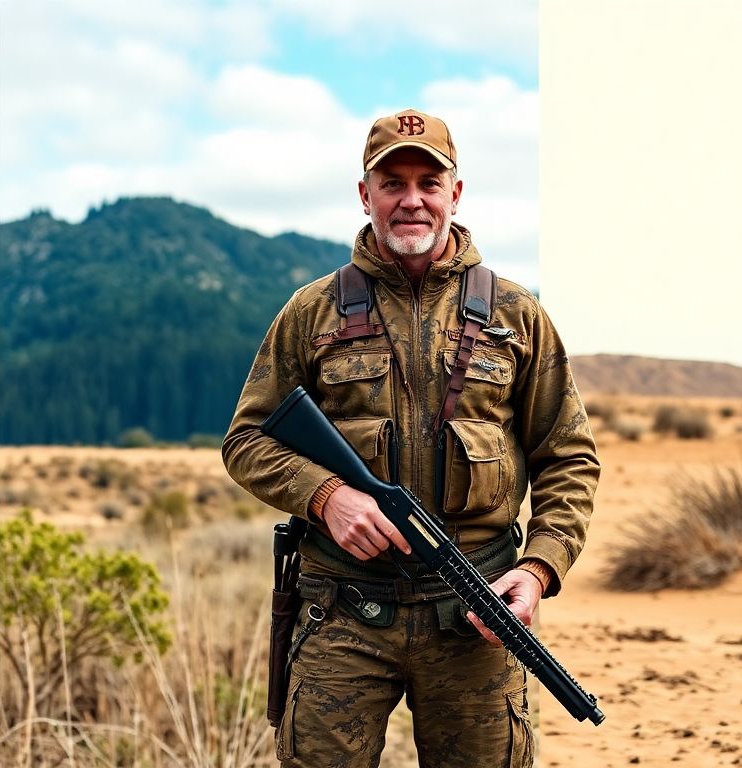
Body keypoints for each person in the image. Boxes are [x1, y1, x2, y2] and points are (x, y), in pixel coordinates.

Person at [222, 108, 599, 768]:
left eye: (429, 181)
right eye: (392, 183)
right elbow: (248, 439)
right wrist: (326, 496)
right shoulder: (312, 312)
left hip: (473, 617)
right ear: (364, 194)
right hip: (341, 611)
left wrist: (539, 569)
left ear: (456, 193)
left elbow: (567, 456)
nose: (412, 200)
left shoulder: (517, 317)